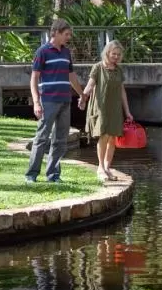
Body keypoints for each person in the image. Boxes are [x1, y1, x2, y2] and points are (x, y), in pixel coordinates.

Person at [25, 18, 86, 183]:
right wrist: (36, 102)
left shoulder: (66, 53)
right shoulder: (42, 51)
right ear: (57, 32)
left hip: (65, 101)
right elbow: (34, 79)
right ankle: (31, 175)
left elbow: (71, 75)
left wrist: (81, 94)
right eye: (66, 34)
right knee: (41, 137)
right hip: (48, 101)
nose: (69, 37)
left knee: (60, 139)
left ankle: (53, 175)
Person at [79, 40, 132, 182]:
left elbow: (122, 91)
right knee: (104, 136)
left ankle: (108, 167)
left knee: (113, 137)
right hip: (101, 107)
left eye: (118, 54)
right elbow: (90, 85)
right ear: (107, 53)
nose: (116, 56)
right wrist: (83, 97)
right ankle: (100, 167)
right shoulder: (97, 67)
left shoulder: (119, 70)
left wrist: (127, 111)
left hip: (115, 108)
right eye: (113, 53)